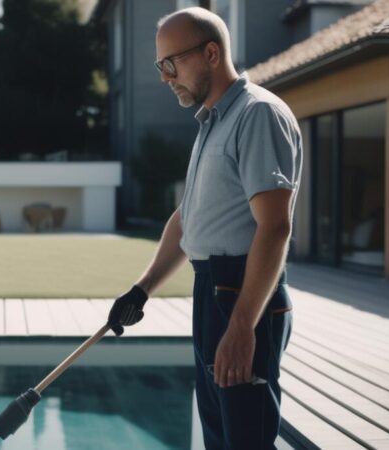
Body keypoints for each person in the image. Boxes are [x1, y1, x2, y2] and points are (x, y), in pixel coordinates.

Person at [107, 7, 303, 449]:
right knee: (219, 439)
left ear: (211, 53)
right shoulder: (213, 123)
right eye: (160, 66)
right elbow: (187, 219)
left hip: (242, 295)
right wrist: (141, 290)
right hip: (212, 291)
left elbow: (274, 228)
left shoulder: (258, 115)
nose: (164, 76)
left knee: (246, 440)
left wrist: (242, 327)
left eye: (170, 64)